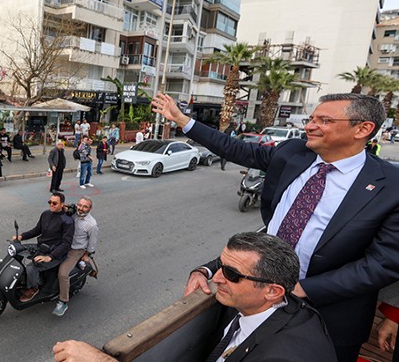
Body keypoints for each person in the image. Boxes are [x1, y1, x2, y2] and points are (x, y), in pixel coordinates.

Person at [152, 92, 399, 361]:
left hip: (330, 316)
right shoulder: (293, 153)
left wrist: (304, 289)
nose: (309, 126)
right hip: (252, 302)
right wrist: (182, 120)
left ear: (363, 129)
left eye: (324, 120)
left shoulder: (391, 186)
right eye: (311, 118)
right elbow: (237, 149)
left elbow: (383, 263)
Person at [53, 232, 336, 362]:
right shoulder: (262, 308)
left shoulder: (285, 355)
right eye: (219, 267)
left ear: (273, 291)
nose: (216, 278)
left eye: (232, 274)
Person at [12, 193, 74, 302]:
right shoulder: (46, 214)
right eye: (50, 202)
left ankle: (33, 288)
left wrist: (50, 257)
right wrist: (22, 236)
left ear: (62, 204)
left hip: (55, 253)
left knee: (32, 267)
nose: (51, 205)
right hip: (42, 247)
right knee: (19, 253)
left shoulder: (67, 221)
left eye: (55, 203)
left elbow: (66, 243)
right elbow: (37, 230)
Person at [53, 197, 98, 317]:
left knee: (63, 274)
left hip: (76, 250)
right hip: (63, 244)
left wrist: (86, 254)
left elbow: (92, 242)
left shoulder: (92, 224)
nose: (81, 208)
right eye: (79, 205)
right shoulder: (73, 214)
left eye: (85, 206)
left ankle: (63, 301)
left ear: (90, 208)